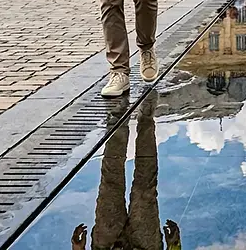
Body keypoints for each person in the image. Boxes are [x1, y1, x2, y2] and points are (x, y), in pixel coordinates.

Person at [69, 94, 182, 250]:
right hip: (146, 245)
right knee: (145, 185)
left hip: (106, 245)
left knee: (110, 182)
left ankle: (117, 116)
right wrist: (174, 246)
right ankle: (145, 116)